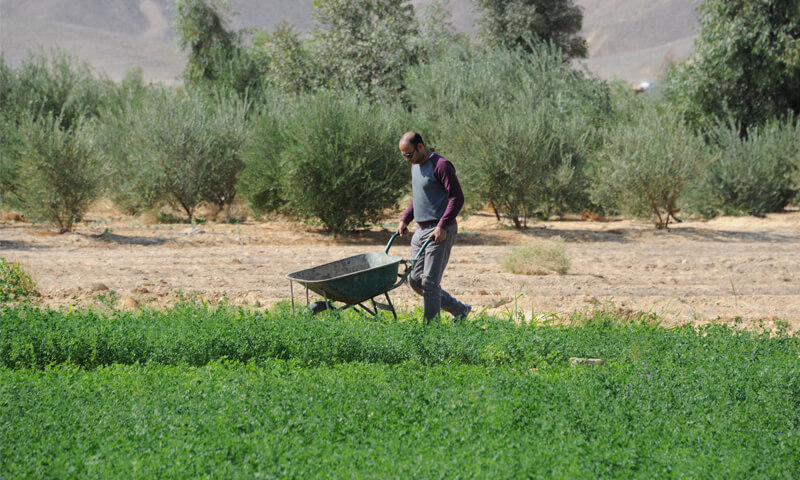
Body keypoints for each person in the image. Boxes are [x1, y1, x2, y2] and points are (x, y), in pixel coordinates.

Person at [396, 132, 471, 324]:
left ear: (420, 147)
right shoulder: (415, 167)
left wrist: (442, 226)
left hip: (440, 231)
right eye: (403, 155)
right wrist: (406, 219)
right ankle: (460, 309)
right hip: (420, 230)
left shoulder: (441, 165)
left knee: (429, 282)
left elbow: (457, 198)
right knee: (414, 280)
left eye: (408, 154)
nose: (407, 160)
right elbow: (419, 197)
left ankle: (431, 332)